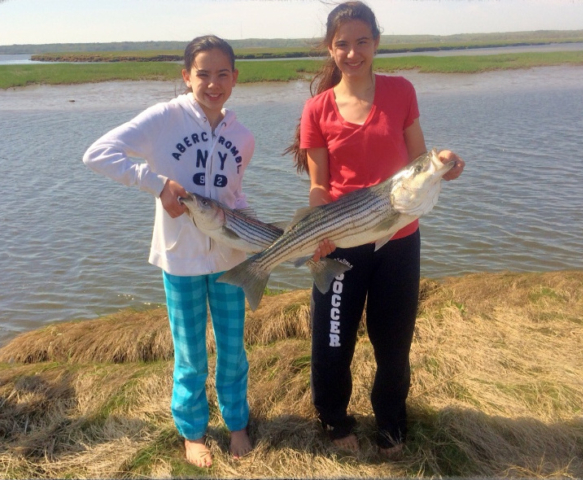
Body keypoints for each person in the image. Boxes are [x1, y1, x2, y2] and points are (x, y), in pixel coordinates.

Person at [286, 1, 465, 455]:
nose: (352, 52)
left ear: (376, 42)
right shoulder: (316, 108)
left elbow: (419, 162)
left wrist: (446, 166)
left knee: (394, 340)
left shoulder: (401, 91)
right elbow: (319, 185)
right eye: (342, 43)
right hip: (341, 240)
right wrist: (316, 231)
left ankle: (391, 422)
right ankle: (334, 420)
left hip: (399, 239)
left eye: (362, 41)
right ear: (330, 48)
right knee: (333, 341)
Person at [83, 35, 254, 467]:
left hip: (233, 258)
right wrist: (156, 184)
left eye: (222, 75)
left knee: (234, 350)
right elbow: (97, 153)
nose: (212, 84)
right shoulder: (165, 117)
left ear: (235, 78)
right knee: (190, 353)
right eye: (202, 74)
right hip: (180, 259)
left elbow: (234, 196)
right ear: (185, 76)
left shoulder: (243, 135)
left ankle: (237, 423)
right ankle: (193, 432)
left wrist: (262, 234)